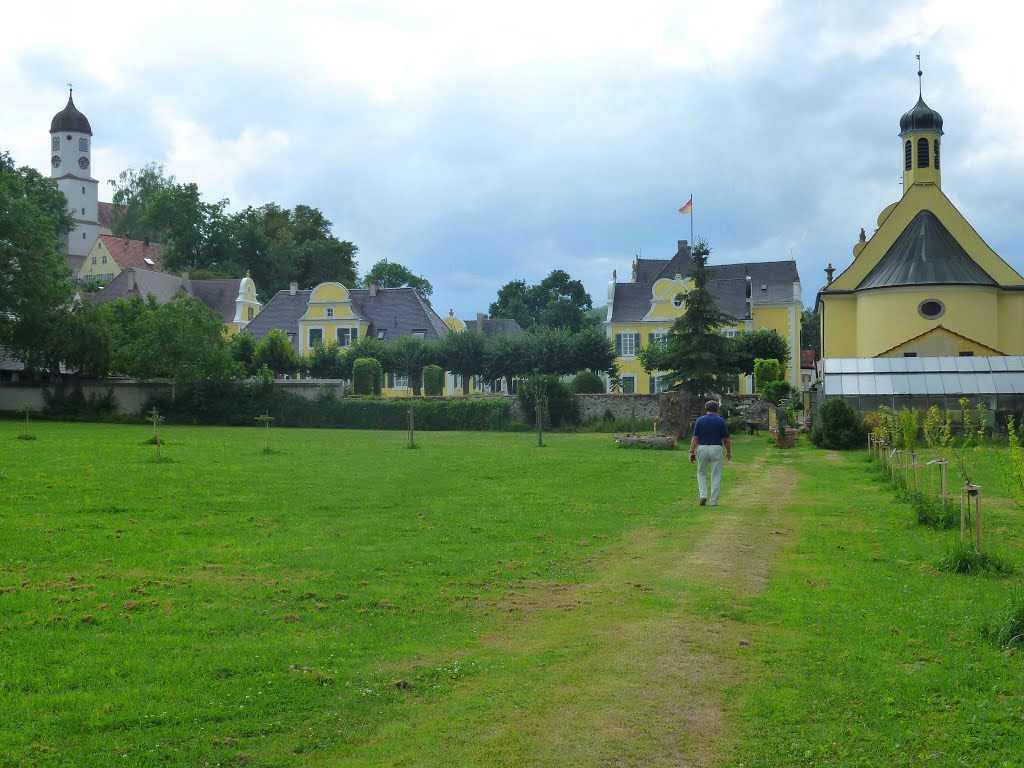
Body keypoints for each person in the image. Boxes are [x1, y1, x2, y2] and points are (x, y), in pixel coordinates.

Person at [689, 400, 732, 506]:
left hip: (703, 447)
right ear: (717, 410)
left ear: (705, 409)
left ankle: (703, 495)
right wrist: (728, 451)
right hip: (717, 448)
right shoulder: (721, 421)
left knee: (701, 473)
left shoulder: (700, 420)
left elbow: (695, 438)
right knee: (716, 474)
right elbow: (726, 439)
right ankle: (713, 501)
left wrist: (691, 451)